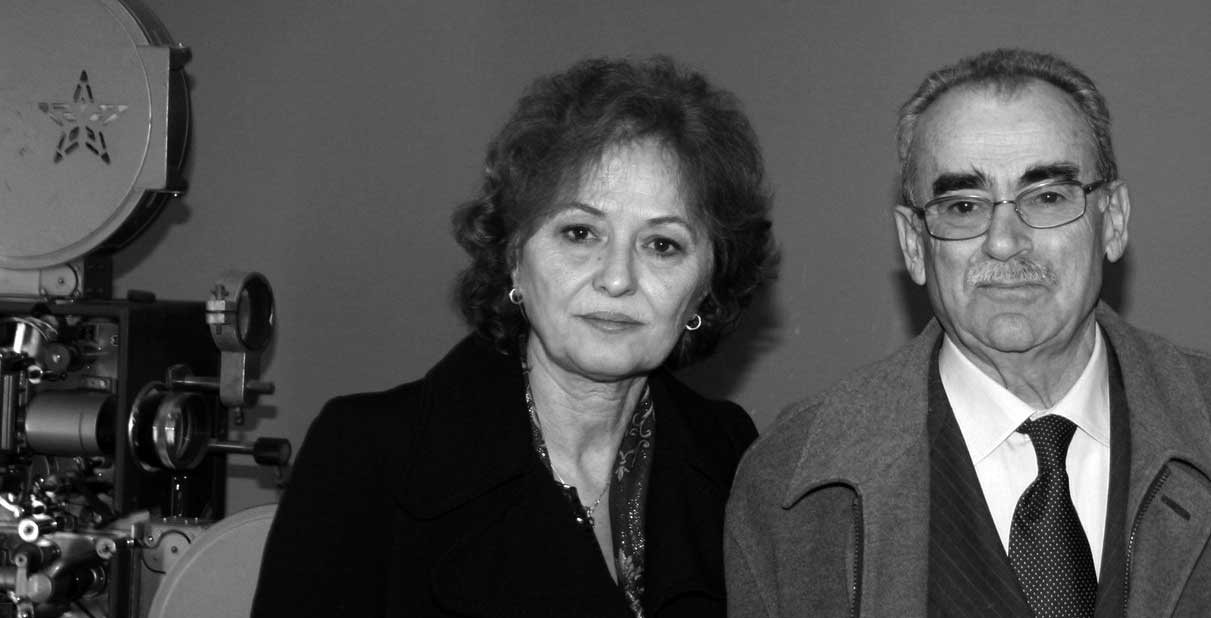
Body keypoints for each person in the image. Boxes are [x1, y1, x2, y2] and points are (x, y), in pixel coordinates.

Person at [252, 56, 775, 618]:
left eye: (662, 245)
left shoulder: (733, 458)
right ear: (514, 259)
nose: (617, 278)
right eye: (580, 232)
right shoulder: (367, 457)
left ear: (705, 288)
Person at [725, 48, 1211, 617]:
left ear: (1114, 221)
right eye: (962, 206)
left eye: (1047, 197)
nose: (1004, 242)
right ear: (914, 244)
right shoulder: (789, 486)